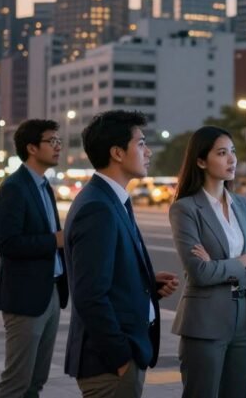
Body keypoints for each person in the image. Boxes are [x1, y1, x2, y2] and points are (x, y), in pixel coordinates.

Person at [64, 110, 180, 398]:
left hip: (120, 356)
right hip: (109, 365)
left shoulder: (110, 199)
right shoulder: (98, 208)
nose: (148, 151)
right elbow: (89, 295)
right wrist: (120, 358)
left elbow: (103, 276)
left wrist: (145, 286)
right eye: (140, 143)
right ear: (117, 152)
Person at [169, 126, 246, 398]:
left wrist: (224, 267)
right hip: (205, 322)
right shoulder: (185, 209)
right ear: (201, 161)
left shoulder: (243, 205)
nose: (232, 160)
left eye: (233, 152)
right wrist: (242, 261)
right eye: (222, 153)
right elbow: (200, 272)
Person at [0, 119, 69, 398]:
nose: (58, 147)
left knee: (36, 380)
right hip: (25, 297)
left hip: (50, 290)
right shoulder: (14, 188)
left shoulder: (44, 186)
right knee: (17, 382)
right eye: (52, 141)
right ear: (32, 148)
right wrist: (55, 240)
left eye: (59, 141)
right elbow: (7, 244)